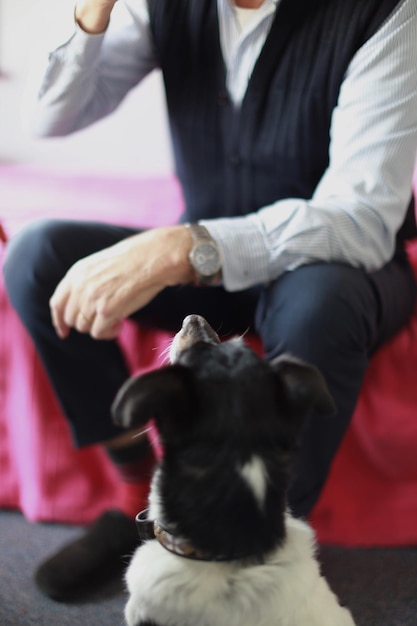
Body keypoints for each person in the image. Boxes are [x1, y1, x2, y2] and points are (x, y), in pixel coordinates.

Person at [3, 0, 417, 602]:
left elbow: (359, 219)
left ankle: (260, 542)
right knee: (38, 255)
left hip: (335, 267)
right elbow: (46, 119)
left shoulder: (385, 11)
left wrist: (184, 245)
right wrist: (92, 10)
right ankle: (138, 500)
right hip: (215, 264)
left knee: (320, 304)